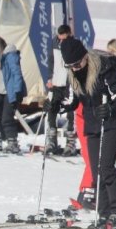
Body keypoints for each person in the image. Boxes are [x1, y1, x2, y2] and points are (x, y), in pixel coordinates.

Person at [59, 37, 116, 229]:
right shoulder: (74, 74)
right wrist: (58, 104)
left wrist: (111, 107)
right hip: (93, 125)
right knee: (96, 170)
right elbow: (73, 99)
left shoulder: (104, 68)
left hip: (114, 123)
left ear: (85, 56)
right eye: (70, 66)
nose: (75, 69)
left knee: (106, 167)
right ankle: (104, 212)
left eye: (77, 64)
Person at [0, 35, 27, 154]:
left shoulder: (10, 56)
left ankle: (12, 142)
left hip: (11, 92)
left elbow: (17, 74)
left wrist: (18, 91)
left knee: (6, 118)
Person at [44, 25, 76, 156]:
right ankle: (52, 141)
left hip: (68, 83)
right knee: (52, 109)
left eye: (64, 36)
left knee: (69, 112)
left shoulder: (74, 45)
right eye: (59, 36)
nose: (61, 38)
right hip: (56, 82)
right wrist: (49, 78)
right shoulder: (54, 43)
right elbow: (51, 62)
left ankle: (70, 142)